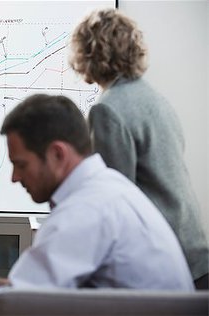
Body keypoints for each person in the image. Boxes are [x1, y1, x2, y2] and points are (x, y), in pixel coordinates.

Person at [0, 94, 194, 316]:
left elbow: (12, 311)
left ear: (57, 154)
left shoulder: (82, 213)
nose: (14, 177)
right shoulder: (110, 190)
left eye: (21, 164)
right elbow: (37, 297)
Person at [68, 8, 209, 289]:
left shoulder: (108, 109)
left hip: (162, 263)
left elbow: (113, 202)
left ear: (88, 53)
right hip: (193, 251)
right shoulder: (154, 97)